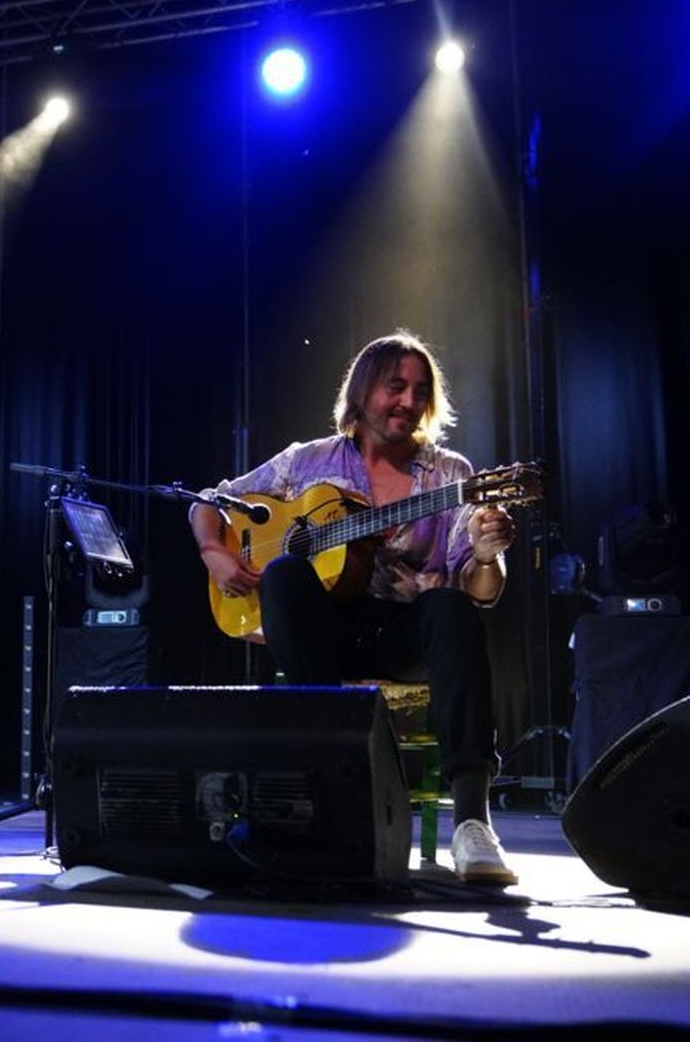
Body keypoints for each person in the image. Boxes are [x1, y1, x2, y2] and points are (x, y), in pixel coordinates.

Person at [189, 331, 519, 884]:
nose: (409, 402)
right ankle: (327, 789)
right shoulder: (306, 462)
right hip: (322, 637)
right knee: (287, 571)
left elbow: (480, 590)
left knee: (453, 609)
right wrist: (215, 552)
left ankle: (472, 824)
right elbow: (208, 502)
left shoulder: (451, 475)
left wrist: (487, 556)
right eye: (396, 387)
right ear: (363, 391)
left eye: (420, 391)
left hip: (403, 634)